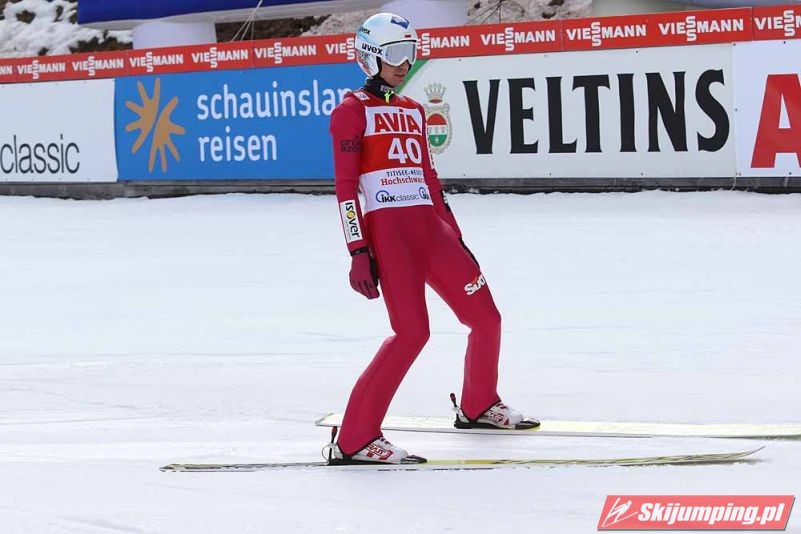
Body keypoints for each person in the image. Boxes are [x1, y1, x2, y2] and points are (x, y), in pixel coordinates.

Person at [328, 12, 539, 465]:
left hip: (433, 233)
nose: (405, 64)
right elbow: (345, 190)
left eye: (410, 53)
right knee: (411, 334)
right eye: (395, 55)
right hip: (392, 238)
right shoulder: (350, 112)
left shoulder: (413, 110)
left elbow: (430, 179)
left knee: (487, 319)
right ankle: (353, 439)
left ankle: (478, 404)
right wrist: (358, 250)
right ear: (369, 58)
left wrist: (455, 236)